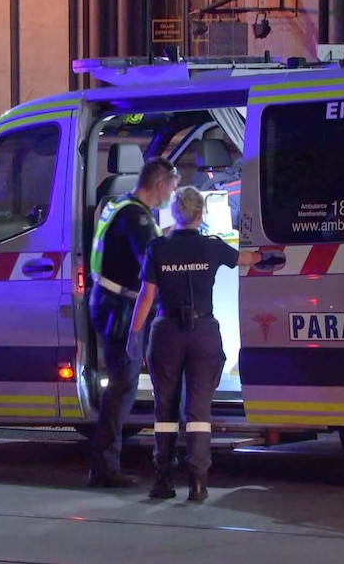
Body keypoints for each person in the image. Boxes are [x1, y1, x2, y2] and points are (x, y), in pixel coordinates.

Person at [127, 185, 263, 501]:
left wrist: (133, 335)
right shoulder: (211, 247)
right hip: (203, 332)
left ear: (174, 214)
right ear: (200, 214)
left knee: (166, 410)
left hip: (166, 333)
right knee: (198, 410)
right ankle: (198, 483)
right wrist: (271, 255)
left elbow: (146, 296)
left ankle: (163, 481)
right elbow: (247, 259)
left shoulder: (157, 248)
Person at [87, 157, 180, 488]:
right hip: (119, 309)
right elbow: (151, 264)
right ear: (160, 185)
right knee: (123, 385)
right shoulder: (136, 217)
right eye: (172, 186)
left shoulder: (123, 207)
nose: (173, 193)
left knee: (122, 384)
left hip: (110, 302)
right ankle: (104, 467)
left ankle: (105, 462)